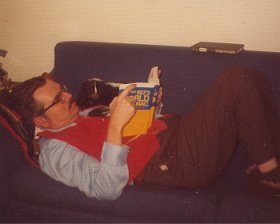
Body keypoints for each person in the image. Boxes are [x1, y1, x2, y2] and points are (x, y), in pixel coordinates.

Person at [7, 65, 280, 200]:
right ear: (39, 119)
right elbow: (105, 188)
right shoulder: (54, 151)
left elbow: (137, 128)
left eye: (63, 88)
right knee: (238, 79)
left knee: (250, 77)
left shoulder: (85, 114)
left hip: (175, 135)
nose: (68, 95)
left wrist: (153, 103)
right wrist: (115, 125)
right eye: (58, 99)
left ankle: (266, 160)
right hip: (171, 164)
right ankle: (270, 175)